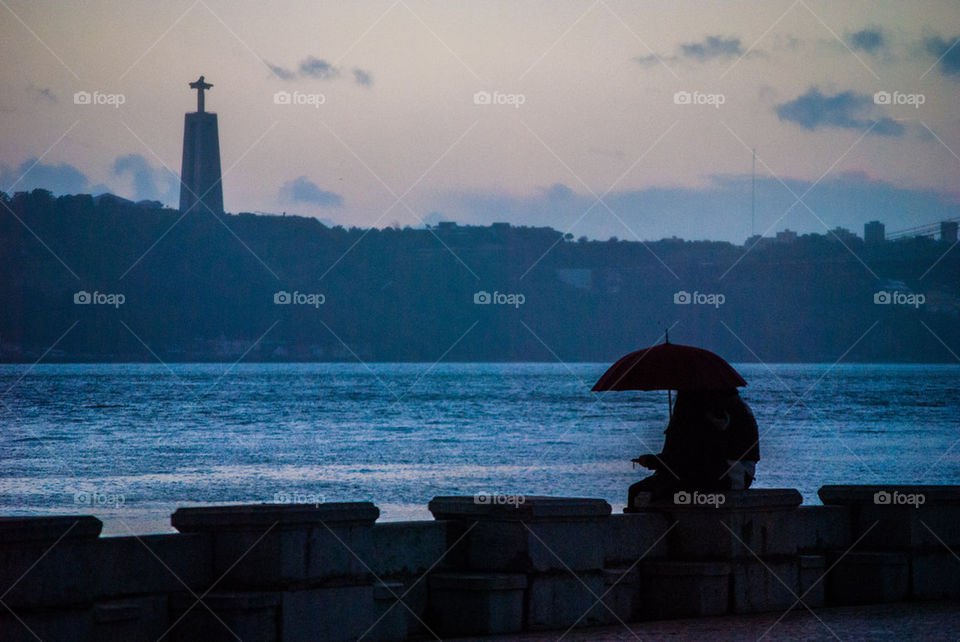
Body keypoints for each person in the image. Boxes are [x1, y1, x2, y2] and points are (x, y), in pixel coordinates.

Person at [626, 388, 760, 509]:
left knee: (640, 492)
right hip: (740, 475)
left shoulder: (702, 409)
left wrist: (651, 461)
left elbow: (688, 457)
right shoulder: (732, 404)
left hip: (724, 476)